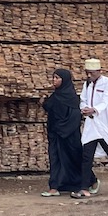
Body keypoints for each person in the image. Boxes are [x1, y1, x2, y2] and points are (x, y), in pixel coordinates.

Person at [70, 58, 108, 199]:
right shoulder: (87, 84)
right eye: (87, 73)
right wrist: (84, 109)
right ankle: (84, 188)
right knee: (86, 157)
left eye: (91, 73)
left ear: (99, 71)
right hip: (92, 125)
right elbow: (83, 99)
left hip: (105, 124)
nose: (89, 76)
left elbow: (105, 101)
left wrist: (94, 110)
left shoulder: (107, 83)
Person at [41, 67, 84, 196]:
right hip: (56, 135)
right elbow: (51, 108)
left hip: (69, 135)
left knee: (73, 158)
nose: (54, 80)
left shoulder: (72, 97)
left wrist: (64, 129)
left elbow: (75, 116)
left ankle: (87, 182)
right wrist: (43, 103)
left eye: (57, 78)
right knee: (55, 159)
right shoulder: (56, 96)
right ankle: (54, 187)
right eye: (53, 78)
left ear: (64, 80)